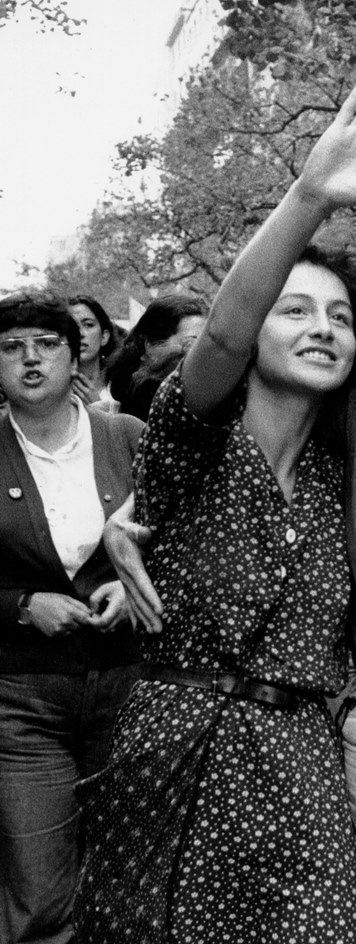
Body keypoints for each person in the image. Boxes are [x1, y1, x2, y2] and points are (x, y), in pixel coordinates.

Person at [73, 77, 356, 944]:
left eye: (340, 317)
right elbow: (220, 335)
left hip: (301, 759)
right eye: (293, 309)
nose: (322, 328)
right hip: (175, 753)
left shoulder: (347, 475)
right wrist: (310, 194)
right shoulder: (189, 447)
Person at [0, 290, 143, 944]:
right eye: (10, 347)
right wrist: (22, 604)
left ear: (76, 352)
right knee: (42, 891)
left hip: (128, 690)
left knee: (131, 875)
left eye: (46, 344)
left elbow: (182, 537)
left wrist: (132, 584)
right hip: (24, 701)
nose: (30, 360)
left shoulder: (128, 438)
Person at [106, 294, 208, 420]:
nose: (202, 354)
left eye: (207, 345)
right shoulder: (107, 420)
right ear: (150, 345)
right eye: (191, 343)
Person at [68, 294, 119, 410]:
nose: (80, 333)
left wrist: (99, 408)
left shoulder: (123, 387)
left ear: (104, 337)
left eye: (88, 325)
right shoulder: (51, 390)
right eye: (72, 326)